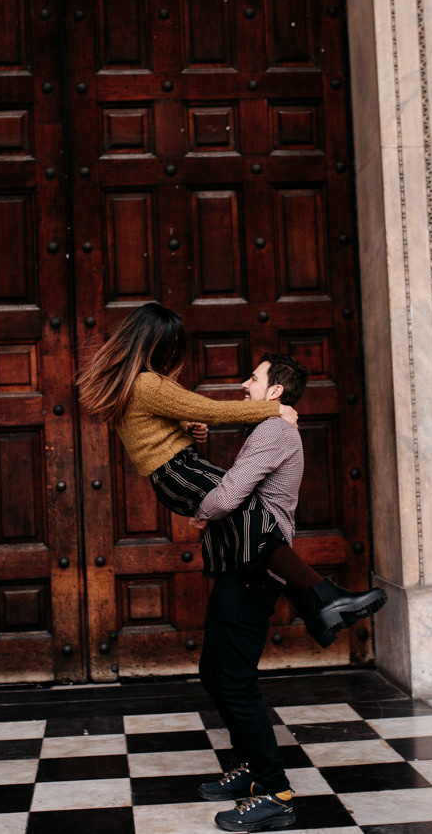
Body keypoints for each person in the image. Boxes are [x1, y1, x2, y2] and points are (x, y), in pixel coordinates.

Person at [76, 302, 386, 646]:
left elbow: (158, 426)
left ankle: (315, 607)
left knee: (249, 527)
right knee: (255, 520)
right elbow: (210, 409)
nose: (173, 354)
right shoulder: (148, 384)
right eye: (172, 346)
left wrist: (188, 430)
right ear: (155, 345)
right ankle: (322, 595)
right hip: (180, 471)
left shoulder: (135, 385)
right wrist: (274, 409)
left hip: (177, 471)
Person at [187, 353, 310, 832]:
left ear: (275, 392)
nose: (244, 383)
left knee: (234, 680)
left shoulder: (275, 431)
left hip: (256, 568)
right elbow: (234, 490)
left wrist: (203, 509)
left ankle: (275, 791)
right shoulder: (266, 429)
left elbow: (226, 496)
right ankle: (251, 773)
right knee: (215, 672)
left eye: (254, 378)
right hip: (241, 565)